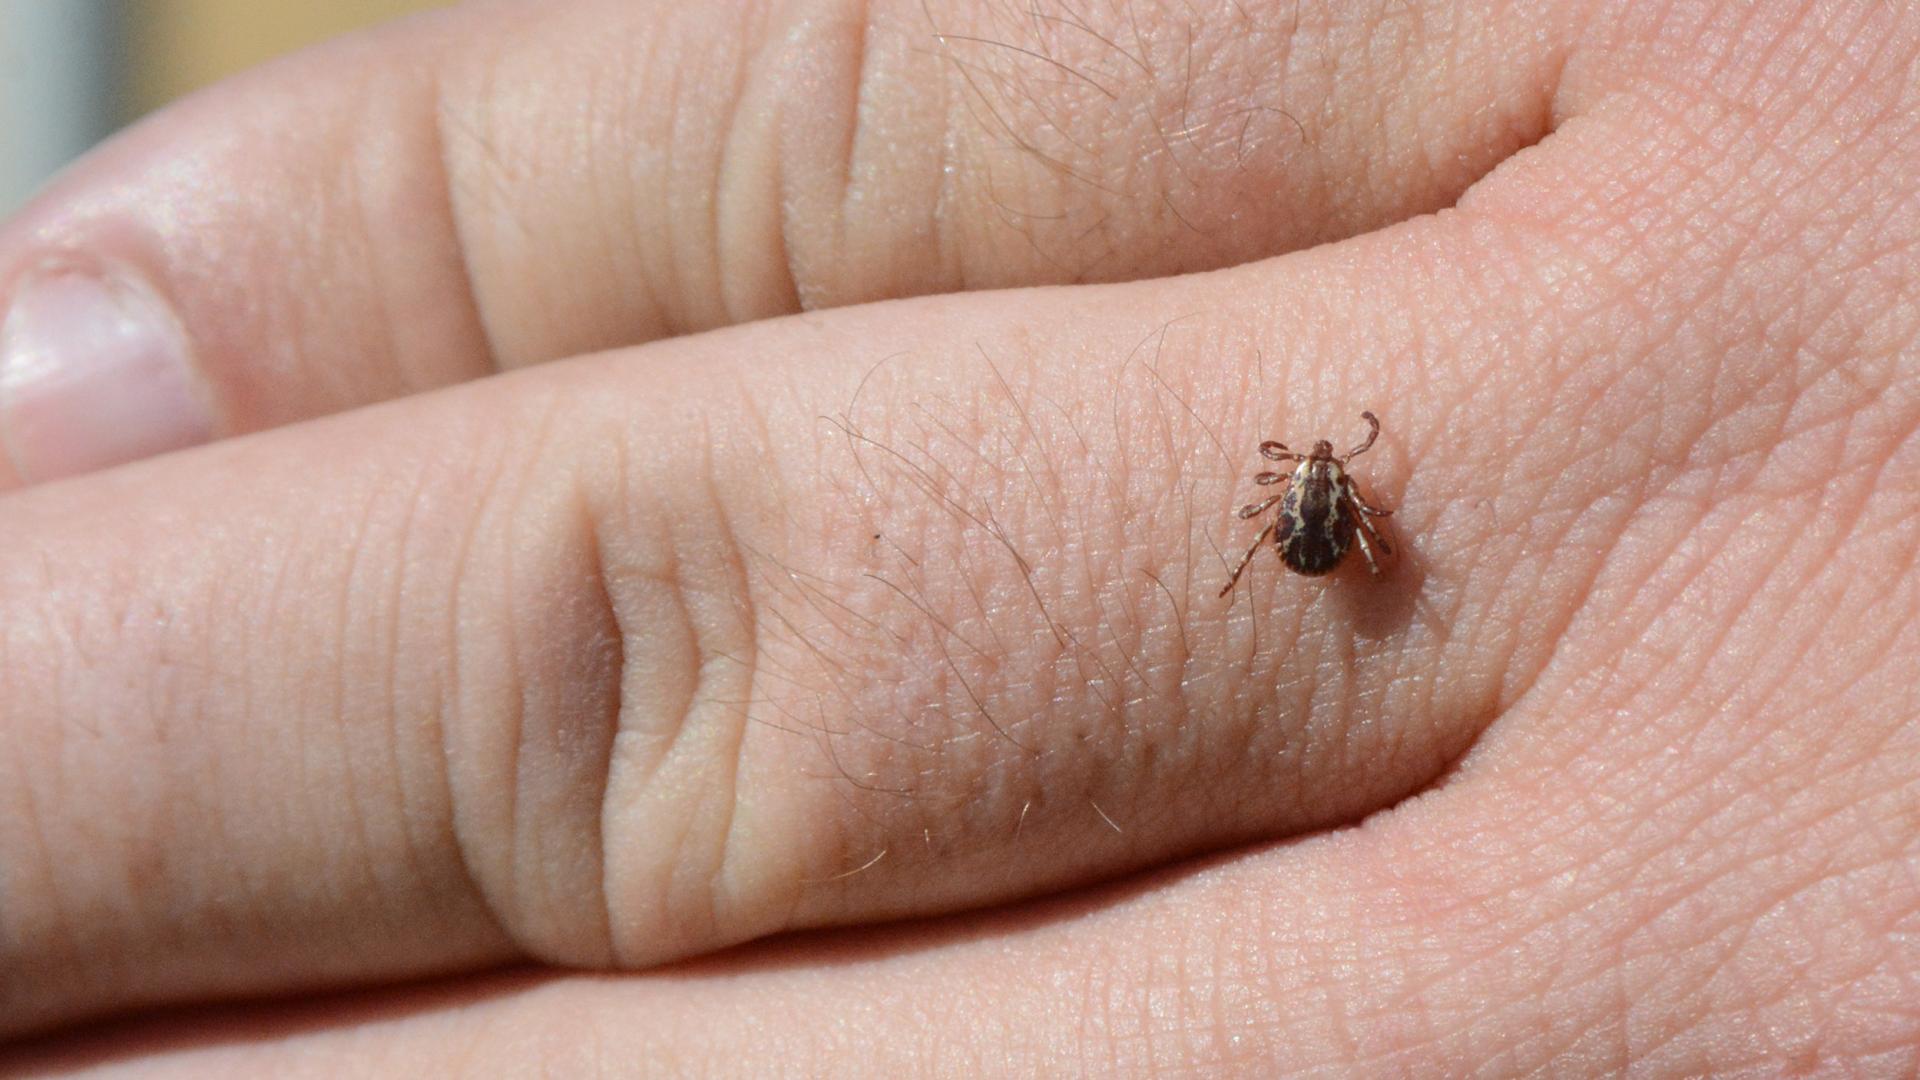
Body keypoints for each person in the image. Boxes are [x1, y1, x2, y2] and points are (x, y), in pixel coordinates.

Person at [3, 0, 1916, 1071]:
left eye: (1324, 492)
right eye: (1322, 491)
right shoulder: (1334, 505)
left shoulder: (1308, 513)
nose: (1324, 496)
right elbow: (1331, 524)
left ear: (1325, 499)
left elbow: (1312, 531)